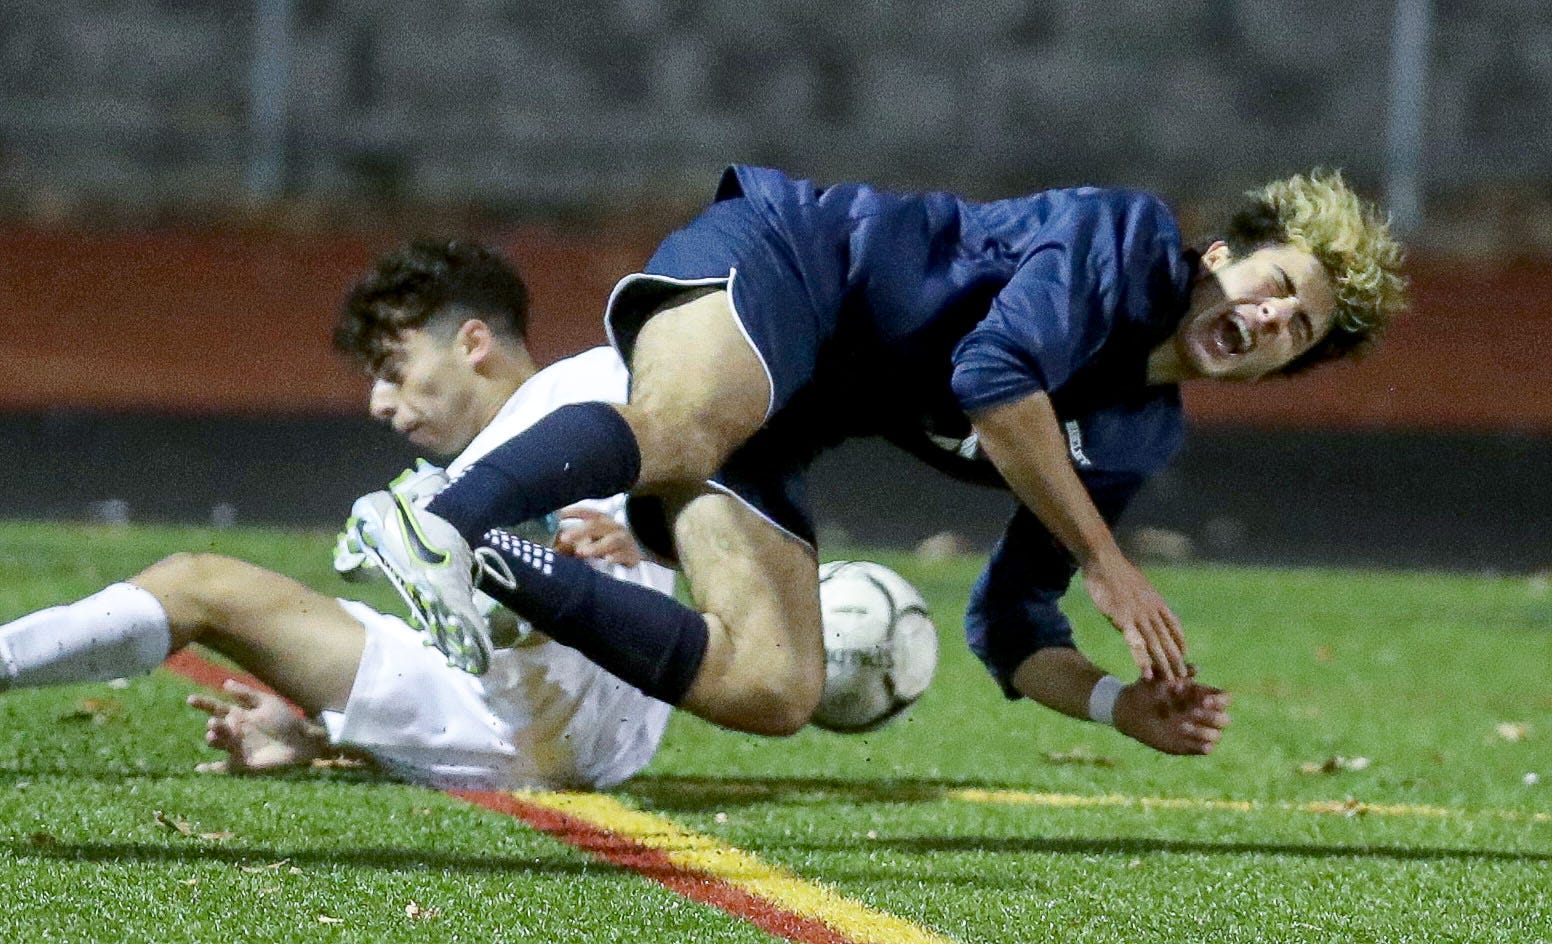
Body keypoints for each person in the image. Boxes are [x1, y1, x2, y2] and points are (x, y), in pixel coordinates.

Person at [357, 168, 1406, 756]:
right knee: (681, 425)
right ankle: (444, 516)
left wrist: (1111, 702)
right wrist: (1107, 559)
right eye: (1273, 283)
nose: (1269, 317)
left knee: (776, 686)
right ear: (1219, 256)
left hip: (784, 415)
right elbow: (993, 375)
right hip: (786, 258)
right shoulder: (1121, 239)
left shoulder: (1137, 434)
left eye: (1299, 330)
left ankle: (484, 553)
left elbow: (1009, 624)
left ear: (1280, 370)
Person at [0, 239, 677, 790]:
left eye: (394, 369)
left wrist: (650, 536)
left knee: (464, 554)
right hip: (527, 721)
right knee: (197, 580)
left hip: (568, 702)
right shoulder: (454, 479)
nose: (380, 403)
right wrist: (323, 740)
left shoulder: (590, 381)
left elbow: (729, 471)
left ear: (472, 342)